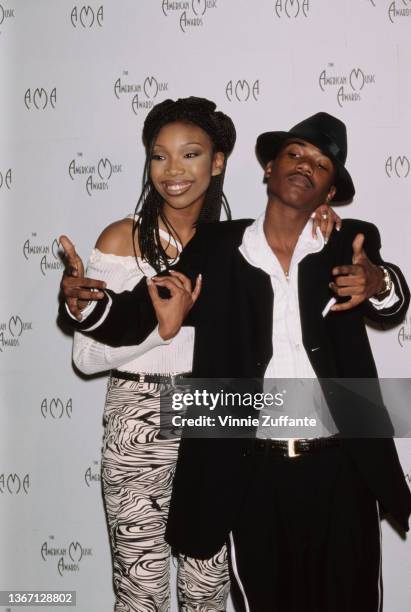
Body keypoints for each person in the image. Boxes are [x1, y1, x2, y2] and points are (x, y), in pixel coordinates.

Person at [60, 112, 411, 612]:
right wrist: (88, 304)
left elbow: (391, 300)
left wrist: (378, 284)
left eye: (321, 165)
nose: (305, 166)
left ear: (330, 192)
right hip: (253, 470)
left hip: (345, 467)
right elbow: (145, 305)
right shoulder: (220, 248)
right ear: (268, 167)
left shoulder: (349, 240)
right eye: (294, 153)